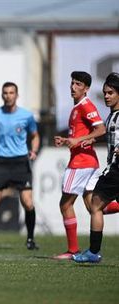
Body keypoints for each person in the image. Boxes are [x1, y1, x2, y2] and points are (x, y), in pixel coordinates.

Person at [0, 82, 40, 250]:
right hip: (1, 162)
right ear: (2, 95)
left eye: (11, 92)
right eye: (5, 93)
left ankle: (30, 238)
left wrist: (33, 150)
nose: (8, 95)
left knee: (27, 202)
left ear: (16, 95)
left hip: (20, 162)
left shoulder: (26, 116)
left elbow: (35, 136)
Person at [52, 72, 106, 260]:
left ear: (86, 89)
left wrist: (79, 139)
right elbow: (83, 135)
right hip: (89, 161)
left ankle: (72, 250)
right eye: (72, 83)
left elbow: (101, 129)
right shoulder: (76, 107)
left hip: (81, 163)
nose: (73, 87)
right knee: (95, 206)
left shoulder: (86, 105)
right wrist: (67, 140)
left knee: (65, 204)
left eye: (78, 84)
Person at [73, 72, 119, 263]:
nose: (106, 96)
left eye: (110, 93)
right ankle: (92, 251)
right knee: (96, 205)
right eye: (105, 93)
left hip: (116, 169)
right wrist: (93, 138)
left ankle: (93, 252)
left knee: (96, 204)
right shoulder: (112, 116)